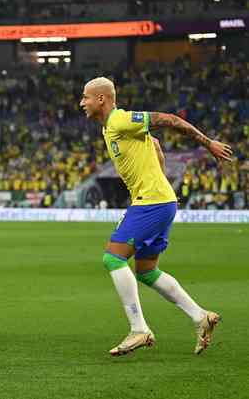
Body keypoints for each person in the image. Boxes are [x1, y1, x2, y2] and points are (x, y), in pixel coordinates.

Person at [79, 77, 233, 356]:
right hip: (159, 200)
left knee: (113, 258)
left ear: (101, 99)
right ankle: (201, 317)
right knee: (147, 270)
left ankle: (139, 329)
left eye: (85, 97)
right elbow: (157, 145)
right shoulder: (112, 128)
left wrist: (208, 143)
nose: (82, 103)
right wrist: (159, 182)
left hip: (152, 201)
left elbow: (171, 120)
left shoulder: (120, 120)